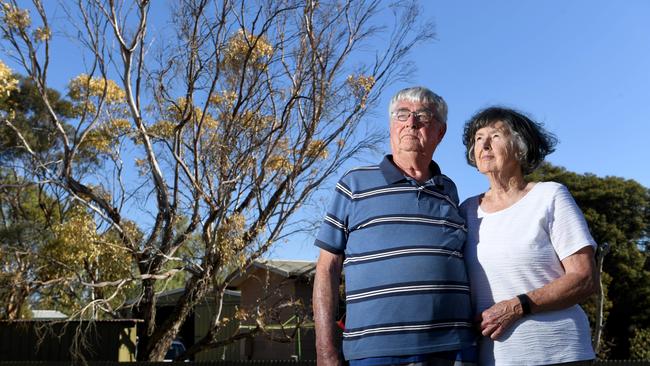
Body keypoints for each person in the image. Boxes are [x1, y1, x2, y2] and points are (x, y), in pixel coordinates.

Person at [313, 87, 476, 366]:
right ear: (391, 126)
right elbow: (327, 268)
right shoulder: (354, 184)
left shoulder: (449, 190)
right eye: (402, 115)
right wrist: (325, 351)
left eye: (423, 116)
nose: (411, 123)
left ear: (440, 132)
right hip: (375, 351)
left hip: (453, 348)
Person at [460, 106, 598, 366]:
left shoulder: (550, 196)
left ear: (521, 146)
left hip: (559, 354)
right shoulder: (465, 210)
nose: (485, 144)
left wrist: (517, 306)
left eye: (496, 136)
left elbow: (584, 278)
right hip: (493, 358)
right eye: (478, 138)